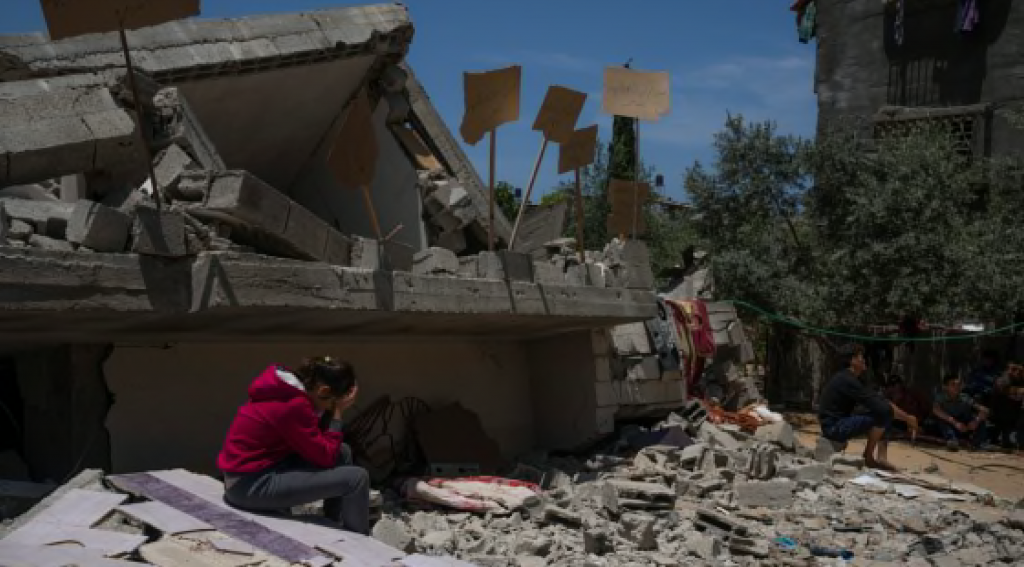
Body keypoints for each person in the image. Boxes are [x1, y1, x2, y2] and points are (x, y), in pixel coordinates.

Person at [217, 357, 369, 534]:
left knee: (343, 452)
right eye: (331, 403)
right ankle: (358, 540)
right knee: (357, 479)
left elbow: (320, 444)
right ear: (323, 390)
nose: (329, 408)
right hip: (250, 486)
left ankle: (334, 522)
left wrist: (330, 408)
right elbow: (325, 457)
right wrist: (337, 415)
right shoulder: (294, 406)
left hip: (253, 473)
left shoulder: (287, 392)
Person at [818, 344, 919, 471]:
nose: (864, 359)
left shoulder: (852, 379)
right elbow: (882, 407)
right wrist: (908, 419)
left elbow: (880, 401)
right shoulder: (847, 380)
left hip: (839, 422)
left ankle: (881, 458)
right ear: (853, 360)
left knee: (885, 411)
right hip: (834, 427)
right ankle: (868, 457)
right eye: (861, 356)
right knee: (884, 413)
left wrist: (908, 417)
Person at [932, 374, 990, 451]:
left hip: (964, 427)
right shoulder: (941, 397)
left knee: (980, 421)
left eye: (958, 384)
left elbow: (985, 410)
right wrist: (955, 423)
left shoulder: (965, 397)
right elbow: (936, 410)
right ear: (945, 387)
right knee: (942, 421)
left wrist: (976, 420)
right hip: (950, 426)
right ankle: (952, 441)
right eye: (953, 384)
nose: (957, 387)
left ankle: (978, 443)